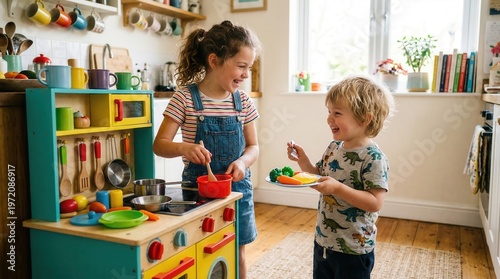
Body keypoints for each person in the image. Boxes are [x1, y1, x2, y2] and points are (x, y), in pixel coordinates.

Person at [153, 20, 262, 279]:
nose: (246, 74)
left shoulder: (242, 101)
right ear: (214, 61)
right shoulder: (185, 97)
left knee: (237, 252)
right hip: (197, 191)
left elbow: (253, 146)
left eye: (249, 67)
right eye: (241, 66)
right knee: (201, 250)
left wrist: (244, 163)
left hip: (237, 191)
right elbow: (159, 145)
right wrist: (185, 148)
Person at [286, 75, 394, 279]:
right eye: (329, 112)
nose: (329, 119)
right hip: (324, 242)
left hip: (354, 250)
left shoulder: (373, 158)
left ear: (365, 118)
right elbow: (319, 178)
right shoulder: (334, 147)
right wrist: (303, 161)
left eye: (337, 113)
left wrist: (338, 189)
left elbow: (375, 203)